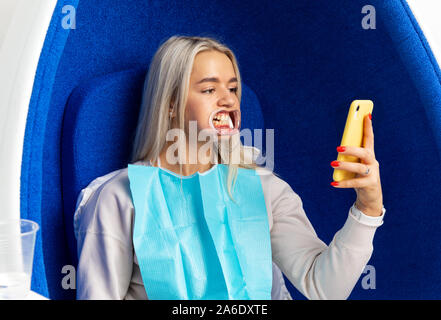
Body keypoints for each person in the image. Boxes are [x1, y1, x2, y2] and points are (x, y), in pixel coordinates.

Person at [74, 35, 385, 300]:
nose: (228, 100)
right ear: (170, 103)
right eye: (210, 90)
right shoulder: (119, 197)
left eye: (233, 89)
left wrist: (368, 208)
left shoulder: (264, 188)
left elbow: (324, 287)